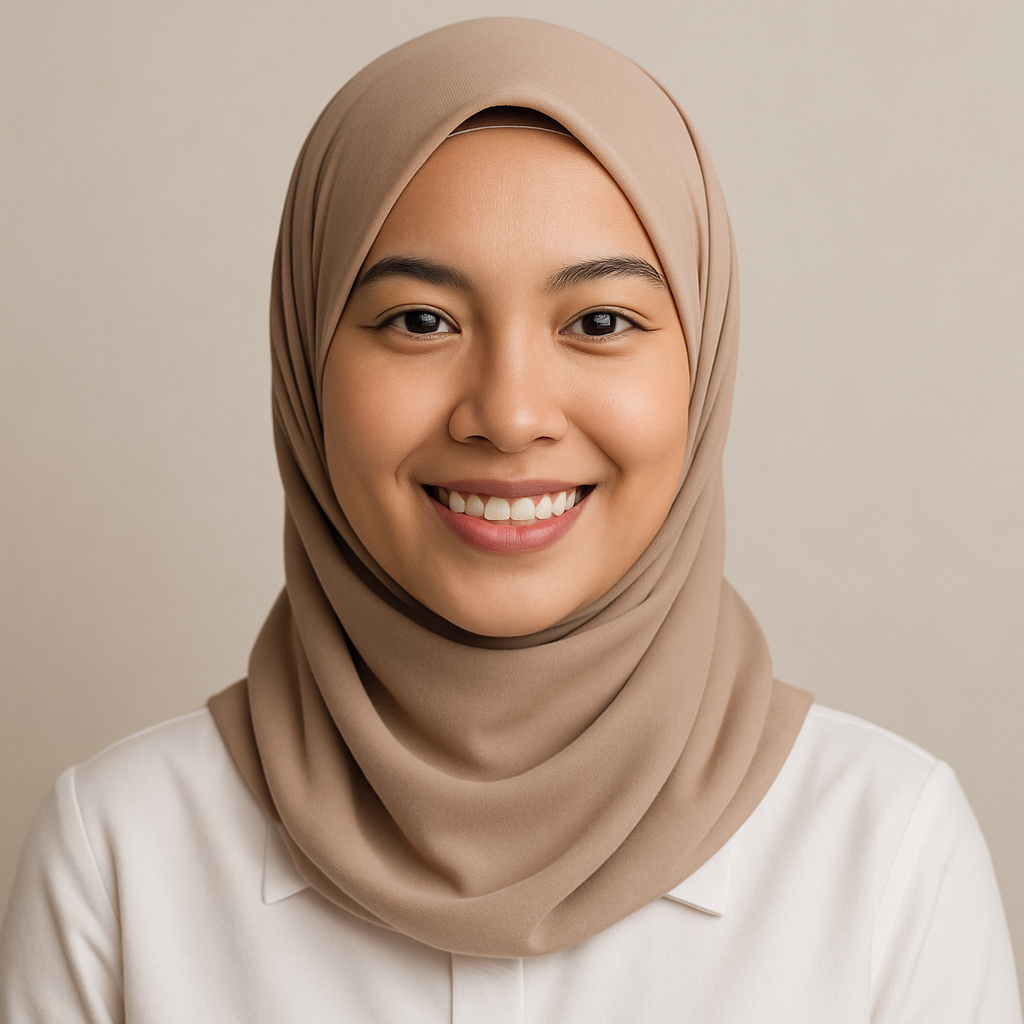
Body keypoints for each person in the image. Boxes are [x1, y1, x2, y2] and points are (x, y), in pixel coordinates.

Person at [0, 17, 1019, 1023]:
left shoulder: (886, 850)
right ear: (306, 363)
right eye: (418, 321)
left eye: (600, 322)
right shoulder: (121, 853)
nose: (510, 413)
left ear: (702, 367)